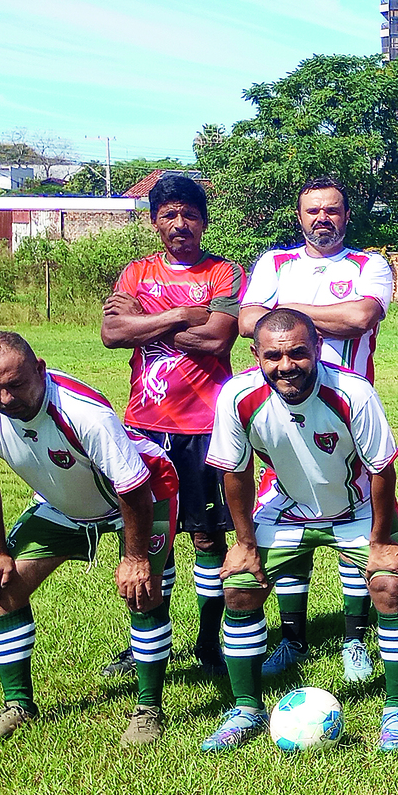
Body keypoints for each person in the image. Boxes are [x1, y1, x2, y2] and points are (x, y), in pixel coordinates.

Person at [200, 310, 398, 753]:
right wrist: (244, 544)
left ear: (317, 348)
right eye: (273, 356)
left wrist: (379, 543)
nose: (286, 366)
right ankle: (246, 709)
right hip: (287, 507)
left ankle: (396, 711)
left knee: (390, 586)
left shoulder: (353, 392)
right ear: (255, 354)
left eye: (298, 353)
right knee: (239, 587)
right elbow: (235, 472)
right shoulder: (237, 395)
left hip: (356, 509)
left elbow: (381, 470)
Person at [0, 331, 180, 746]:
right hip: (62, 505)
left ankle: (149, 710)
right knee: (3, 588)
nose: (5, 398)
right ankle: (19, 707)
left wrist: (135, 559)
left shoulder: (83, 412)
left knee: (143, 592)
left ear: (39, 369)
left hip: (142, 492)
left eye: (16, 384)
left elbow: (132, 485)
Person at [238, 177, 395, 682]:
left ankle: (354, 640)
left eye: (332, 210)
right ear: (299, 216)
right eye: (313, 211)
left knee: (350, 512)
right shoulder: (274, 262)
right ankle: (292, 639)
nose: (322, 218)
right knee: (293, 517)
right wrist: (316, 320)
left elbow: (361, 317)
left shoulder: (369, 265)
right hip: (282, 405)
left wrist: (284, 316)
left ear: (346, 216)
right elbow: (246, 321)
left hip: (346, 410)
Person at [98, 172, 244, 680]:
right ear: (155, 222)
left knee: (207, 537)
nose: (180, 223)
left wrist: (146, 320)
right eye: (168, 215)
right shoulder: (135, 272)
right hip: (143, 425)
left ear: (204, 221)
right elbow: (112, 333)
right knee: (148, 537)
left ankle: (208, 640)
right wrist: (183, 313)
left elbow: (217, 341)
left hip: (205, 425)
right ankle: (145, 645)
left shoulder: (224, 272)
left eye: (189, 214)